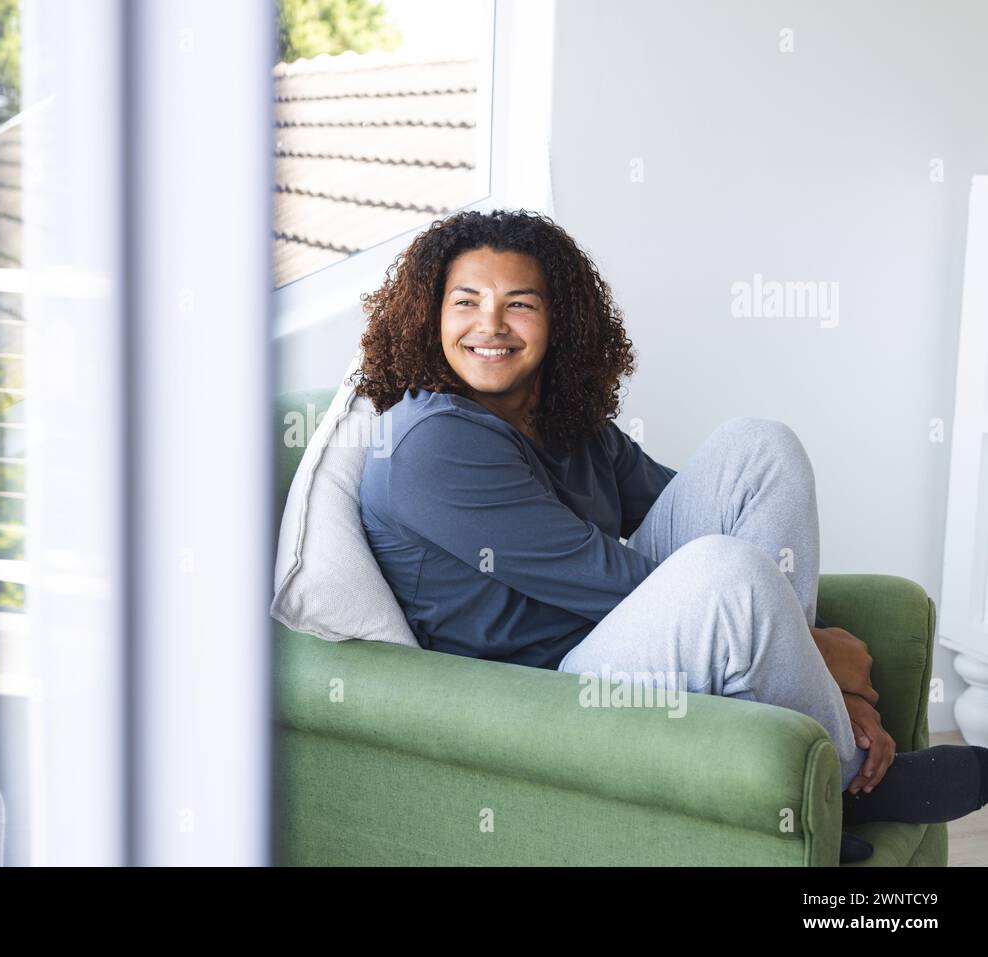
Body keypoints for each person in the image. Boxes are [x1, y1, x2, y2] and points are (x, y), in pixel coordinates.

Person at [353, 208, 988, 863]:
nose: (490, 324)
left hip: (609, 646)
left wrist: (823, 667)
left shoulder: (560, 418)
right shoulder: (430, 443)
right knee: (727, 573)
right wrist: (815, 647)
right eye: (466, 302)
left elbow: (714, 506)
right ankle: (850, 776)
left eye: (520, 303)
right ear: (430, 316)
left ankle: (796, 736)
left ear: (558, 321)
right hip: (543, 696)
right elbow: (607, 577)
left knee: (759, 447)